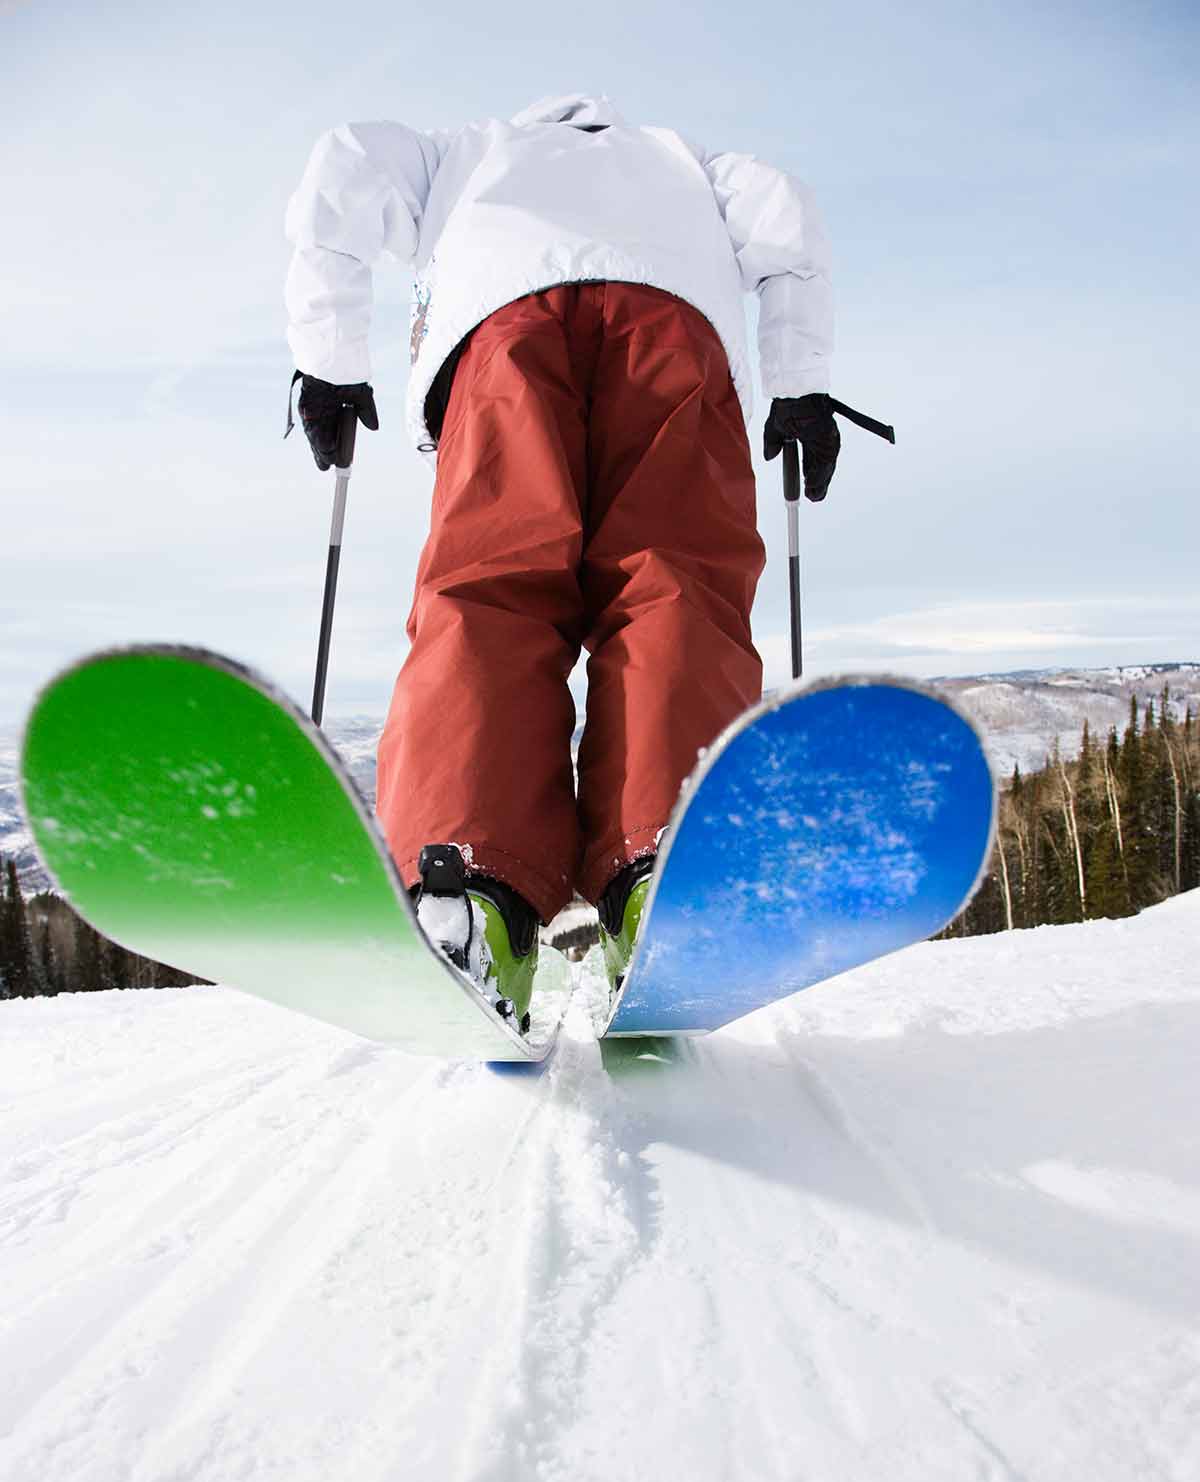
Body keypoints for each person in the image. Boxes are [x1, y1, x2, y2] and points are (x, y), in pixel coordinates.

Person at [284, 92, 840, 1031]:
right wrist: (800, 383)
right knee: (675, 588)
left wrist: (328, 358)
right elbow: (784, 220)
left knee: (488, 591)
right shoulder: (685, 159)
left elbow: (345, 165)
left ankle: (473, 895)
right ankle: (662, 873)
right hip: (675, 329)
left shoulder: (463, 149)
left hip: (502, 326)